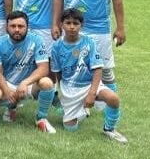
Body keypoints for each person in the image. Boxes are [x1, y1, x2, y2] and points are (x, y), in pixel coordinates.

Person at [50, 8, 128, 143]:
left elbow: (98, 69)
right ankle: (78, 111)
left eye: (76, 23)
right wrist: (63, 92)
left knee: (113, 98)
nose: (72, 27)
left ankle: (109, 129)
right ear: (61, 24)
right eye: (68, 23)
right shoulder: (56, 47)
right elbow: (57, 72)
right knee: (70, 128)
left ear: (82, 25)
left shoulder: (89, 42)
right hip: (70, 89)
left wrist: (92, 93)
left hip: (88, 85)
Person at [0, 11, 56, 133]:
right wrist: (7, 91)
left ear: (27, 27)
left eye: (20, 26)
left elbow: (44, 68)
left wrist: (25, 82)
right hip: (7, 82)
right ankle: (11, 107)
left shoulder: (36, 40)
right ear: (6, 27)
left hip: (28, 84)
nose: (17, 29)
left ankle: (41, 118)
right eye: (13, 26)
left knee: (47, 83)